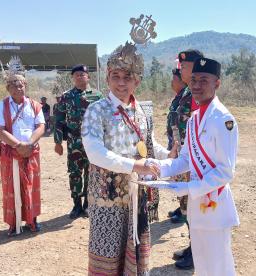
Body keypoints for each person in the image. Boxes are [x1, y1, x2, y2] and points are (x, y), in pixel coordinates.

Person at [81, 42, 172, 275]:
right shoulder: (96, 110)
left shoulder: (143, 110)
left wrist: (168, 155)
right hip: (106, 196)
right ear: (108, 78)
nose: (121, 83)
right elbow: (94, 152)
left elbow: (149, 144)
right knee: (108, 253)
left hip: (137, 194)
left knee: (136, 250)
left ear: (137, 81)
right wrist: (134, 165)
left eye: (127, 77)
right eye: (116, 76)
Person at [149, 57, 240, 276]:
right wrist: (159, 167)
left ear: (217, 83)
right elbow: (186, 160)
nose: (197, 86)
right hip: (197, 206)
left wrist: (189, 188)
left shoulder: (223, 119)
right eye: (194, 80)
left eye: (204, 80)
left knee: (219, 267)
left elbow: (226, 171)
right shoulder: (194, 119)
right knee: (202, 264)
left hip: (216, 204)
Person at [0, 57, 45, 236]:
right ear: (8, 88)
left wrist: (29, 144)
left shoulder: (35, 105)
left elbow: (41, 126)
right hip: (10, 152)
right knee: (11, 188)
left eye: (21, 84)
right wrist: (18, 145)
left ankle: (32, 220)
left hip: (31, 152)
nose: (18, 87)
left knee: (32, 185)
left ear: (26, 86)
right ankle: (13, 223)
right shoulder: (1, 106)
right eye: (14, 85)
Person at [167, 50, 204, 270]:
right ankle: (194, 248)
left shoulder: (198, 93)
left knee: (193, 207)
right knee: (188, 207)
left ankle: (197, 252)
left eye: (185, 65)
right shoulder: (187, 92)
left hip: (194, 162)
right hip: (184, 157)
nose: (181, 68)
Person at [54, 64, 104, 219]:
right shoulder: (66, 97)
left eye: (83, 74)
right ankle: (76, 205)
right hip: (73, 140)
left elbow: (104, 120)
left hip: (92, 141)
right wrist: (58, 142)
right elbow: (59, 119)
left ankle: (88, 204)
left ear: (88, 77)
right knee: (75, 173)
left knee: (91, 172)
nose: (80, 77)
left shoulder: (97, 96)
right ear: (72, 78)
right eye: (76, 75)